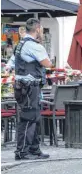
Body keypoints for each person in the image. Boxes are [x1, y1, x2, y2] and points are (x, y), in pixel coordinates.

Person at [13, 18, 52, 161]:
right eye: (41, 30)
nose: (41, 32)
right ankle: (22, 152)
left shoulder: (21, 43)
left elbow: (12, 63)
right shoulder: (33, 45)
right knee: (28, 118)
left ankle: (34, 149)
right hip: (29, 87)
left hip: (23, 86)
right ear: (37, 29)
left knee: (33, 117)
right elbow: (47, 63)